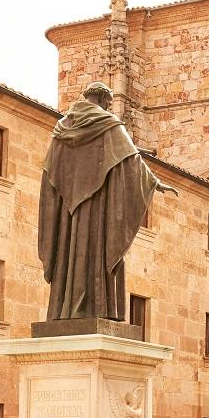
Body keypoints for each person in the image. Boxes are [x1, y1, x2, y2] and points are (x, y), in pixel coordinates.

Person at [37, 81, 177, 322]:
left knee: (70, 252)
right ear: (103, 101)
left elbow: (50, 173)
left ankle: (65, 309)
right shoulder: (109, 125)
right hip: (97, 210)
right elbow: (132, 161)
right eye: (109, 103)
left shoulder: (61, 129)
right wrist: (154, 182)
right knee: (95, 251)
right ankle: (94, 309)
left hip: (68, 216)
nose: (109, 108)